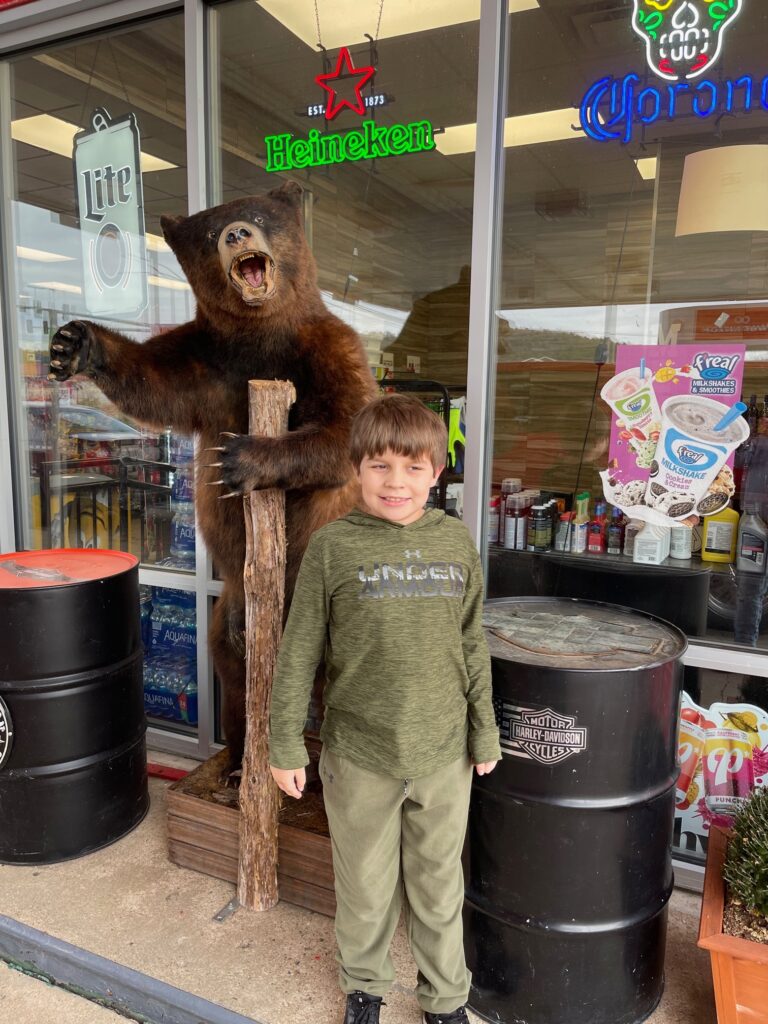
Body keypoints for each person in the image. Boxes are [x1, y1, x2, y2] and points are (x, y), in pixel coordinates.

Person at [269, 393, 501, 1024]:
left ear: (436, 472)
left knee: (438, 886)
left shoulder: (454, 543)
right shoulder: (332, 548)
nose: (396, 482)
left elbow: (471, 643)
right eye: (380, 466)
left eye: (412, 467)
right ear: (356, 468)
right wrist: (284, 743)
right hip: (359, 754)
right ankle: (364, 987)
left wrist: (484, 732)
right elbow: (298, 651)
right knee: (365, 887)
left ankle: (445, 999)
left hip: (443, 754)